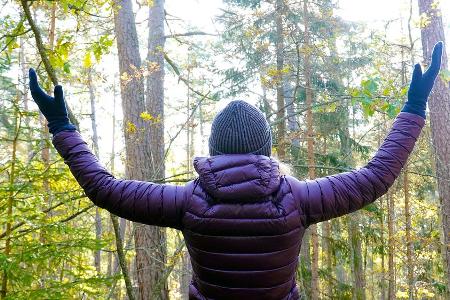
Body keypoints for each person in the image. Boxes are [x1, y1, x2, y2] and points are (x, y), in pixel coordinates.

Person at [28, 41, 443, 300]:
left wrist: (62, 126)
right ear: (267, 149)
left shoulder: (187, 201)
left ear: (213, 149)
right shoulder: (298, 199)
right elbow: (374, 178)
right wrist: (414, 108)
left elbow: (105, 189)